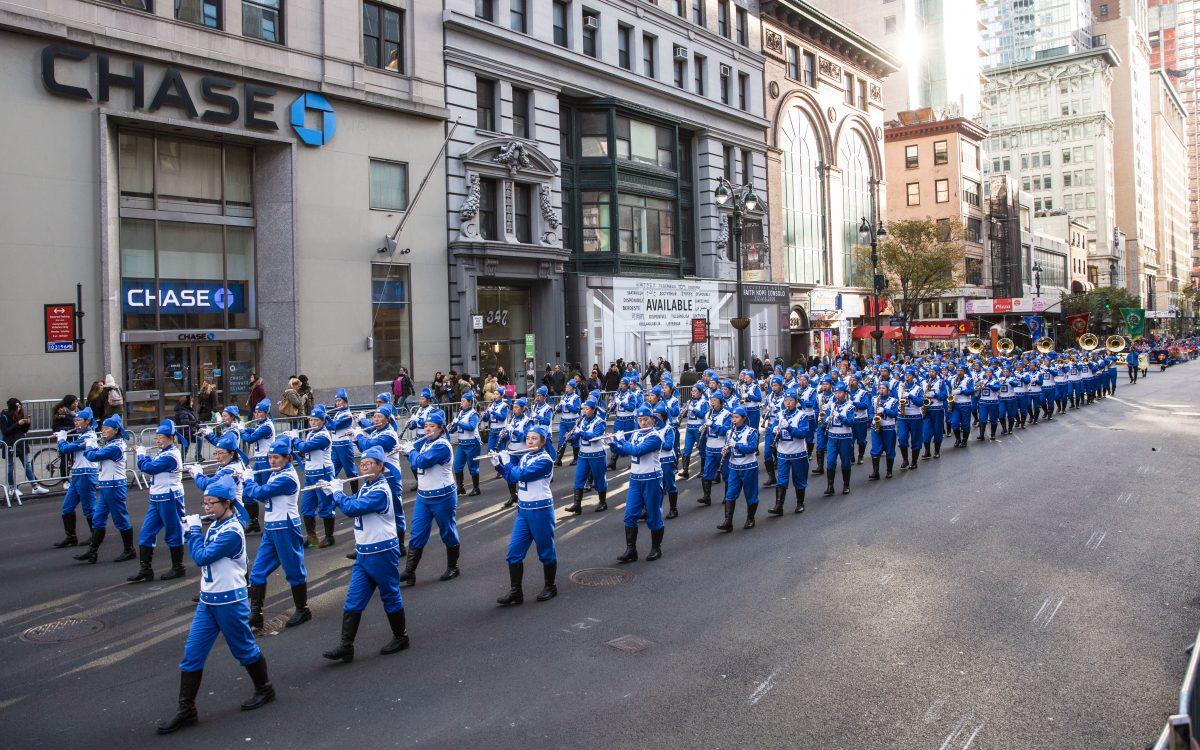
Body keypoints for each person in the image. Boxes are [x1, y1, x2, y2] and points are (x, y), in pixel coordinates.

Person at [156, 476, 274, 734]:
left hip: (230, 601)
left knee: (244, 649)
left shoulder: (232, 531)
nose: (207, 507)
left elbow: (201, 557)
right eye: (205, 502)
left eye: (212, 503)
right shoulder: (218, 524)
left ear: (228, 503)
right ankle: (186, 709)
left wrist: (194, 532)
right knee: (191, 656)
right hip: (208, 601)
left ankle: (265, 689)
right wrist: (193, 531)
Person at [322, 446, 410, 663]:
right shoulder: (368, 486)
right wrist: (330, 493)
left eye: (369, 463)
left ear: (380, 466)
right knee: (353, 599)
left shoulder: (381, 489)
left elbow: (354, 508)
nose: (364, 466)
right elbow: (351, 503)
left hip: (382, 551)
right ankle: (346, 645)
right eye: (362, 463)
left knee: (389, 594)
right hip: (364, 553)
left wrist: (337, 493)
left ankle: (401, 637)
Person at [242, 436, 311, 630]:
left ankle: (303, 608)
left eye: (277, 458)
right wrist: (248, 482)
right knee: (258, 571)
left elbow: (261, 493)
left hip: (286, 527)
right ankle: (256, 614)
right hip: (272, 527)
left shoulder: (287, 478)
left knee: (293, 569)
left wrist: (248, 480)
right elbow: (261, 496)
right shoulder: (275, 473)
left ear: (288, 458)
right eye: (270, 457)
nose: (272, 461)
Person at [493, 426, 558, 605]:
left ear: (543, 442)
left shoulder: (545, 460)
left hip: (541, 510)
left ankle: (550, 586)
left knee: (545, 551)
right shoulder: (526, 457)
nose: (529, 441)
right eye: (528, 438)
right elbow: (513, 478)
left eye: (534, 439)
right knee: (513, 552)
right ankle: (516, 592)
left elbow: (523, 475)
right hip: (523, 510)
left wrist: (507, 463)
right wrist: (498, 465)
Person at [401, 409, 460, 586]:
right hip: (423, 497)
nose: (427, 429)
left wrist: (410, 451)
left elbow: (421, 462)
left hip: (442, 497)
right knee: (417, 533)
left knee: (447, 531)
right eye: (425, 426)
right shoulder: (426, 443)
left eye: (431, 426)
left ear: (441, 429)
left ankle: (453, 567)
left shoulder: (442, 445)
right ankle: (409, 572)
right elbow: (415, 458)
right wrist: (407, 450)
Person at [129, 420, 188, 582]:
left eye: (160, 437)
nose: (157, 440)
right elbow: (151, 465)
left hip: (170, 497)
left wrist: (141, 454)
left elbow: (149, 468)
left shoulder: (171, 455)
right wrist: (145, 456)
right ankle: (145, 570)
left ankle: (178, 567)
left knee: (174, 532)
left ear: (170, 437)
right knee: (146, 533)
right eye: (156, 437)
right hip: (156, 498)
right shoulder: (163, 452)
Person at [75, 413, 136, 563]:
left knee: (120, 518)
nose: (103, 431)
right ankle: (92, 551)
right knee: (98, 519)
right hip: (107, 485)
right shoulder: (111, 445)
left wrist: (89, 444)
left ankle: (129, 550)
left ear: (116, 430)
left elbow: (91, 456)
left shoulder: (115, 447)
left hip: (114, 486)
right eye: (102, 428)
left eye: (107, 428)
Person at [609, 406, 665, 561]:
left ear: (653, 420)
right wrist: (614, 444)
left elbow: (637, 451)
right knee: (629, 515)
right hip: (635, 479)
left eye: (646, 419)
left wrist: (621, 441)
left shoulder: (655, 437)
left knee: (653, 515)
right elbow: (626, 451)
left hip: (651, 479)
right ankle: (631, 550)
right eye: (640, 420)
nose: (643, 422)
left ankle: (656, 548)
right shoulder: (636, 434)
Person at [53, 407, 101, 548]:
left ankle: (95, 536)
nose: (76, 423)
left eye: (79, 420)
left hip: (86, 475)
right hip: (77, 475)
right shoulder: (82, 435)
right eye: (75, 420)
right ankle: (71, 537)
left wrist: (61, 438)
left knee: (89, 509)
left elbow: (66, 449)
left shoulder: (89, 437)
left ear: (88, 421)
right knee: (67, 508)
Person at [293, 404, 335, 548]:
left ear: (323, 421)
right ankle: (312, 538)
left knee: (325, 506)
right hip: (311, 475)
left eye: (317, 420)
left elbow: (304, 447)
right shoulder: (311, 433)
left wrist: (294, 439)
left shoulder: (323, 436)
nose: (313, 423)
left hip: (323, 474)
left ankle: (330, 537)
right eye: (311, 420)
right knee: (306, 507)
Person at [187, 432, 249, 529]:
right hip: (223, 512)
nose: (217, 457)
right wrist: (198, 475)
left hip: (233, 514)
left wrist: (197, 474)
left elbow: (207, 485)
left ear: (231, 453)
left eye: (221, 453)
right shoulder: (228, 464)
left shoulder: (231, 469)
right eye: (215, 453)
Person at [718, 407, 759, 531]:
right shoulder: (729, 432)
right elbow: (730, 450)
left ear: (744, 418)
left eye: (736, 417)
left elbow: (752, 448)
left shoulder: (752, 432)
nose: (734, 420)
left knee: (750, 494)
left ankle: (751, 518)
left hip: (749, 467)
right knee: (730, 494)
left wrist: (736, 445)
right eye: (733, 417)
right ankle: (728, 522)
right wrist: (725, 451)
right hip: (734, 467)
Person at [565, 399, 608, 514]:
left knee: (599, 479)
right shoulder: (581, 420)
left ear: (593, 410)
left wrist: (580, 434)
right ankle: (577, 504)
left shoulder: (600, 422)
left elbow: (595, 436)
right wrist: (570, 437)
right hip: (583, 454)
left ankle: (602, 502)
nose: (584, 410)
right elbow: (576, 436)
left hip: (597, 454)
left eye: (587, 409)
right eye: (583, 408)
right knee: (579, 478)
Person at [770, 389, 809, 514]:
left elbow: (803, 434)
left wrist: (789, 427)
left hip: (798, 452)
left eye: (791, 400)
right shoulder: (780, 414)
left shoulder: (802, 415)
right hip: (783, 452)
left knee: (799, 478)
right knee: (781, 479)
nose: (788, 403)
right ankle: (778, 506)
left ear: (796, 402)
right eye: (786, 400)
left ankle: (800, 503)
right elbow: (773, 427)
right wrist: (775, 431)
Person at [2, 398, 46, 493]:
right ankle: (12, 488)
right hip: (10, 444)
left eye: (20, 406)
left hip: (21, 443)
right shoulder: (4, 416)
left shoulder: (20, 415)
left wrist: (27, 424)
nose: (19, 408)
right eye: (17, 406)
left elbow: (23, 431)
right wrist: (17, 423)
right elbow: (6, 431)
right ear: (12, 407)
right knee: (10, 467)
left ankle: (35, 486)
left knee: (27, 465)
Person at [698, 392, 732, 506]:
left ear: (721, 402)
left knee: (726, 473)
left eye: (715, 401)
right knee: (707, 472)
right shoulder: (708, 413)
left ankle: (728, 497)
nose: (712, 403)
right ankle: (706, 496)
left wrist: (712, 425)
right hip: (710, 447)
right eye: (711, 400)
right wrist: (703, 428)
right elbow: (707, 427)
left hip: (722, 448)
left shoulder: (727, 415)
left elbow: (725, 431)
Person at [822, 384, 856, 496]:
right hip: (832, 437)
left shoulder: (850, 407)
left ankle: (846, 484)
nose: (837, 395)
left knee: (845, 463)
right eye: (836, 393)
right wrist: (825, 421)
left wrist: (840, 416)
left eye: (840, 392)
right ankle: (830, 486)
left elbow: (850, 423)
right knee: (830, 461)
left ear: (845, 394)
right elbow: (823, 421)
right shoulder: (831, 406)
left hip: (845, 438)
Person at [449, 392, 482, 497]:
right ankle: (460, 487)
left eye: (463, 401)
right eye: (461, 401)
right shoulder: (460, 413)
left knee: (473, 467)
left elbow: (471, 427)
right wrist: (451, 427)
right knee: (457, 465)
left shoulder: (473, 414)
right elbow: (456, 428)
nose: (461, 403)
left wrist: (458, 422)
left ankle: (476, 488)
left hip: (472, 443)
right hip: (462, 444)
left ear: (469, 402)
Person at [867, 383, 899, 480]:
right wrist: (873, 417)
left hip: (888, 428)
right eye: (880, 388)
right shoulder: (874, 399)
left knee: (889, 449)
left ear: (888, 390)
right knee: (875, 449)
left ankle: (889, 471)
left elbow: (895, 414)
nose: (881, 390)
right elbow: (870, 411)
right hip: (876, 427)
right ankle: (875, 472)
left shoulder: (893, 401)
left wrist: (884, 410)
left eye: (883, 388)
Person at [678, 385, 708, 480]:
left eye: (695, 391)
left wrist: (692, 409)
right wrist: (684, 411)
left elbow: (703, 415)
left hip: (699, 428)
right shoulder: (689, 402)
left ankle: (703, 470)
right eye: (692, 391)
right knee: (687, 450)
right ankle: (685, 470)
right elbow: (685, 415)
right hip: (689, 428)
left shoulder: (704, 402)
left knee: (702, 449)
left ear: (700, 392)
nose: (693, 392)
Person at [329, 389, 359, 480]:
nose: (337, 403)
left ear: (345, 401)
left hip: (344, 445)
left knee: (350, 471)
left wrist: (324, 419)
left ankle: (355, 493)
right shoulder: (339, 412)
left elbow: (334, 426)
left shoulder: (347, 414)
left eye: (339, 400)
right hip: (335, 444)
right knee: (332, 471)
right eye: (336, 401)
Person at [554, 380, 581, 465]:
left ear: (573, 389)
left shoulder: (576, 397)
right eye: (566, 387)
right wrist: (557, 408)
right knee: (561, 440)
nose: (566, 388)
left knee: (574, 439)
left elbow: (576, 409)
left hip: (573, 421)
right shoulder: (564, 397)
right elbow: (560, 410)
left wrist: (567, 405)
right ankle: (558, 460)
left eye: (568, 387)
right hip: (563, 421)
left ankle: (576, 459)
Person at [174, 395, 201, 463]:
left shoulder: (186, 410)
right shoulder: (183, 411)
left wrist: (195, 423)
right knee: (197, 440)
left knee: (185, 447)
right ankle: (197, 457)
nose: (192, 403)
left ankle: (182, 462)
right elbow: (185, 422)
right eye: (191, 402)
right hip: (186, 432)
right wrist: (194, 423)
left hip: (186, 432)